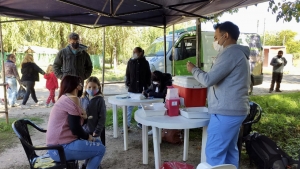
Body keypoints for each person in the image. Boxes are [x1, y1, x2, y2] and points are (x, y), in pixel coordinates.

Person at [186, 21, 250, 168]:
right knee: (229, 152)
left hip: (226, 111)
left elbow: (208, 79)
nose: (215, 41)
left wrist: (194, 70)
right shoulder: (239, 53)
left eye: (216, 37)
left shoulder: (230, 53)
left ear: (225, 36)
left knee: (214, 153)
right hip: (234, 110)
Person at [46, 75, 105, 169]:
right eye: (80, 84)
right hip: (61, 148)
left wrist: (85, 119)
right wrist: (88, 137)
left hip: (56, 147)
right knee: (101, 149)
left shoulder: (64, 98)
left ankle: (86, 166)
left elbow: (75, 124)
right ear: (78, 86)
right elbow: (75, 128)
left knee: (97, 142)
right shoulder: (73, 99)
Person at [80, 76, 106, 169]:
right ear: (86, 87)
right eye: (89, 87)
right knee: (87, 149)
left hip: (95, 131)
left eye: (94, 87)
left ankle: (95, 165)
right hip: (85, 130)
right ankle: (85, 164)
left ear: (98, 87)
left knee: (96, 148)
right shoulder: (82, 98)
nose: (91, 89)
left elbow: (102, 117)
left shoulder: (100, 100)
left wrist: (98, 130)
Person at [125, 47, 151, 130]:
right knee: (128, 107)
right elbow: (127, 73)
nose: (134, 54)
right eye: (133, 52)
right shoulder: (130, 62)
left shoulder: (145, 63)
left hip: (141, 89)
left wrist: (147, 85)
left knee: (141, 107)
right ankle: (126, 125)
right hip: (132, 89)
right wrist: (128, 83)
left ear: (140, 53)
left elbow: (148, 75)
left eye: (135, 52)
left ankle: (141, 123)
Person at [143, 70, 172, 135]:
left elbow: (163, 95)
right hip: (156, 101)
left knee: (159, 115)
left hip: (164, 102)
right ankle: (154, 128)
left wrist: (150, 94)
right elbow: (151, 88)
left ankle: (159, 129)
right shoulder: (155, 81)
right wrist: (145, 92)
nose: (155, 83)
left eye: (157, 82)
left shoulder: (167, 83)